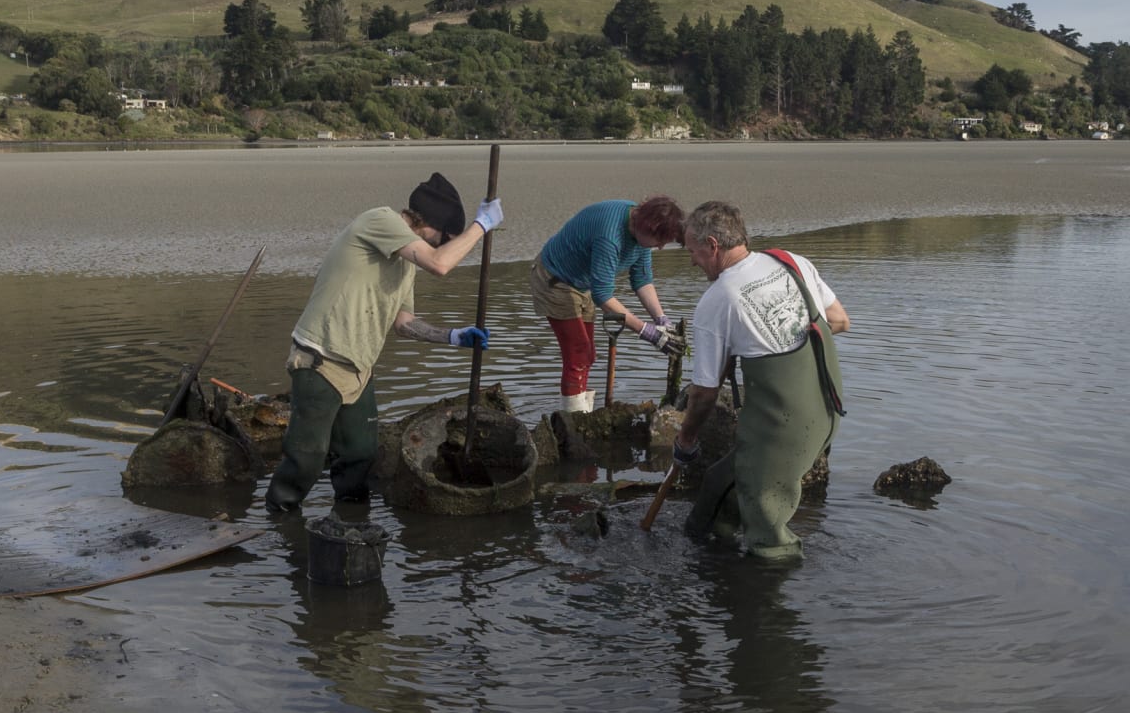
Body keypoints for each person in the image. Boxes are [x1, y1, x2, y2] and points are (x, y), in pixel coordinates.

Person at [264, 172, 504, 513]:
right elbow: (441, 263)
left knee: (360, 454)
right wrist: (482, 225)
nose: (440, 245)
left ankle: (349, 522)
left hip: (359, 369)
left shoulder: (406, 263)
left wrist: (451, 337)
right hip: (321, 359)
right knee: (307, 457)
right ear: (430, 223)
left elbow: (404, 324)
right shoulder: (381, 220)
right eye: (443, 237)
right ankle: (281, 523)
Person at [671, 200, 851, 560]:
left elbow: (705, 394)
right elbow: (840, 321)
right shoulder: (790, 261)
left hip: (784, 427)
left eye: (692, 251)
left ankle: (768, 602)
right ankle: (708, 557)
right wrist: (767, 338)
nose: (691, 260)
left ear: (712, 245)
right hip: (827, 412)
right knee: (719, 486)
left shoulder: (718, 299)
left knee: (766, 531)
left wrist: (687, 438)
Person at [530, 195, 686, 412]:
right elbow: (603, 296)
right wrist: (647, 332)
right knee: (578, 352)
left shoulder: (640, 227)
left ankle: (580, 411)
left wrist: (661, 320)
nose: (660, 248)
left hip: (581, 283)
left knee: (588, 354)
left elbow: (642, 279)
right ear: (646, 228)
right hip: (555, 280)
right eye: (659, 241)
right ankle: (574, 421)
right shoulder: (610, 237)